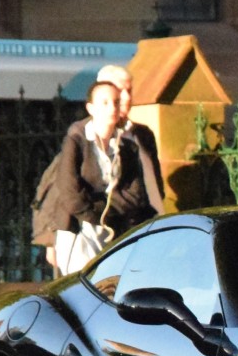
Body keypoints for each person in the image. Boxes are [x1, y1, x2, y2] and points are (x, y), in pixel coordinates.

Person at [38, 80, 153, 270]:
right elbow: (69, 190)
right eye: (105, 102)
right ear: (90, 108)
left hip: (115, 229)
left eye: (116, 102)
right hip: (79, 229)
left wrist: (108, 211)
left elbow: (136, 195)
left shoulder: (128, 146)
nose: (112, 108)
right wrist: (94, 213)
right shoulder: (77, 140)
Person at [96, 64, 166, 214]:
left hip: (150, 220)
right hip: (113, 224)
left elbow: (155, 182)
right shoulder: (88, 134)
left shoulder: (142, 133)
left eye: (129, 91)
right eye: (120, 91)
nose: (127, 98)